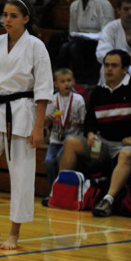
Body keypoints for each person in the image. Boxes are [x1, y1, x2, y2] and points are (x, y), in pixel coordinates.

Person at [0, 0, 53, 250]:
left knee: (21, 175)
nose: (7, 19)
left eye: (13, 15)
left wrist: (38, 127)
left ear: (26, 19)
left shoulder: (36, 47)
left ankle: (14, 233)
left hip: (22, 114)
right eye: (5, 14)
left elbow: (43, 90)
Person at [57, 49, 131, 217]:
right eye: (106, 65)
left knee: (127, 154)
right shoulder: (98, 92)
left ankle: (108, 200)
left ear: (125, 69)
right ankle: (60, 191)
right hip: (102, 142)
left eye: (114, 66)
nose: (109, 69)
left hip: (124, 145)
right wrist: (90, 134)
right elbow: (90, 121)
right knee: (71, 143)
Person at [53, 0, 114, 83]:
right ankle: (60, 79)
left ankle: (82, 80)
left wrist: (90, 36)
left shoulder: (104, 4)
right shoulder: (74, 5)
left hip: (99, 43)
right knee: (64, 47)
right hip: (80, 41)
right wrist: (77, 36)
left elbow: (108, 32)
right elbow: (73, 30)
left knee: (74, 48)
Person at [41, 67, 86, 206]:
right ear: (55, 84)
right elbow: (45, 121)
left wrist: (77, 122)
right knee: (48, 161)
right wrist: (47, 119)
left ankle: (59, 190)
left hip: (70, 138)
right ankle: (52, 188)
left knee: (61, 158)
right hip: (55, 139)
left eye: (69, 80)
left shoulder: (78, 99)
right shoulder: (52, 100)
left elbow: (84, 120)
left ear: (74, 81)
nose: (66, 84)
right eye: (62, 81)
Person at [96, 0, 131, 73]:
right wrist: (124, 60)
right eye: (126, 9)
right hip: (116, 69)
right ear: (118, 10)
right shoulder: (110, 28)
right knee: (106, 68)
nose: (130, 13)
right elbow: (101, 54)